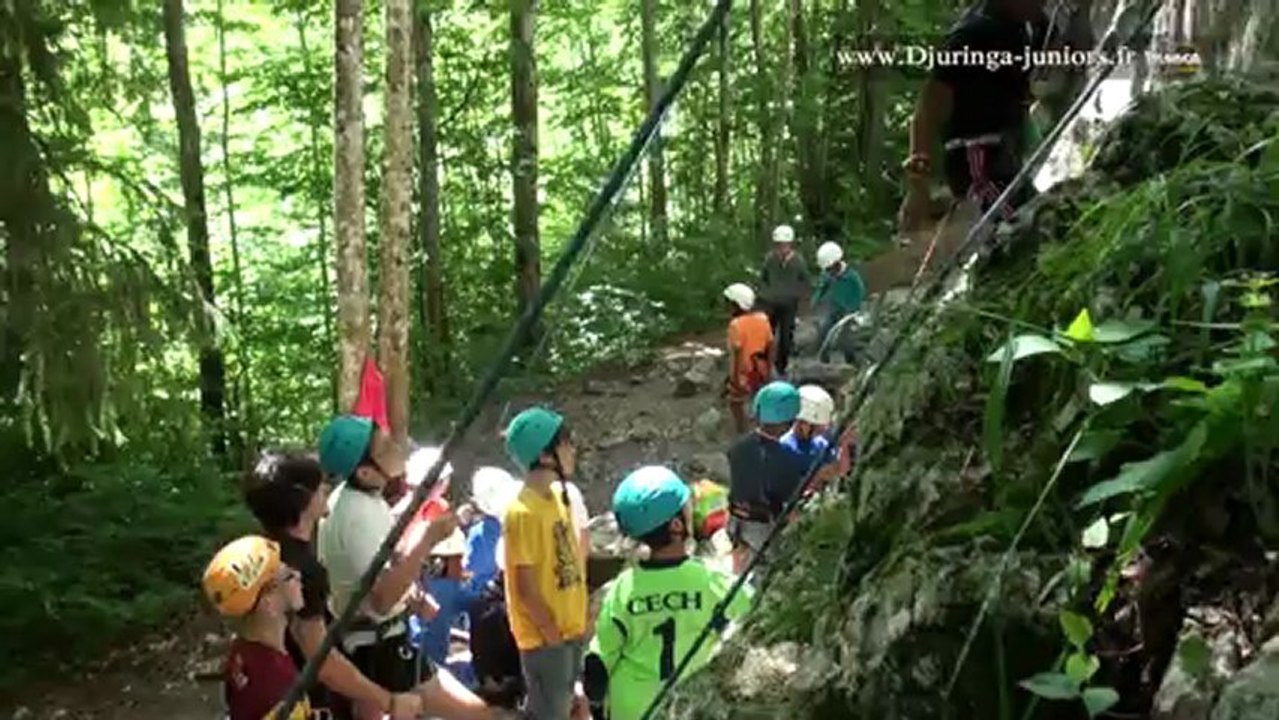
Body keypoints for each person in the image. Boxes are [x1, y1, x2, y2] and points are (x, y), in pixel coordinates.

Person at [315, 416, 492, 720]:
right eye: (384, 447)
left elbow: (379, 568)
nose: (396, 448)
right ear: (365, 471)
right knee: (479, 715)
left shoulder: (354, 499)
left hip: (367, 639)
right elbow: (381, 600)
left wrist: (412, 597)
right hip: (379, 645)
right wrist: (428, 540)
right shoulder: (358, 515)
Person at [241, 450, 422, 720]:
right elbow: (321, 661)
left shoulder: (262, 554)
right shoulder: (302, 571)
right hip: (301, 699)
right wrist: (389, 701)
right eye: (319, 485)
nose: (326, 487)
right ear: (302, 499)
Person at [583, 466, 754, 720]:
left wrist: (597, 709)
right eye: (686, 507)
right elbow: (753, 615)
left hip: (632, 709)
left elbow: (597, 663)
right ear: (676, 525)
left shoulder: (622, 589)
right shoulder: (713, 580)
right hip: (688, 708)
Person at [902, 0, 1049, 225]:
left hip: (1008, 154)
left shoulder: (1028, 26)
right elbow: (927, 110)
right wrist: (918, 188)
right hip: (976, 158)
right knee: (1020, 226)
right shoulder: (971, 35)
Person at [501, 406, 591, 720]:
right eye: (566, 443)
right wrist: (551, 634)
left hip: (568, 632)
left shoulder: (557, 500)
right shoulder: (522, 512)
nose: (573, 450)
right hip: (545, 639)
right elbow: (525, 588)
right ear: (544, 454)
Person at [202, 535, 310, 720]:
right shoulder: (275, 684)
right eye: (288, 576)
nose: (298, 575)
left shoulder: (246, 651)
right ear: (268, 602)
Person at [725, 382, 810, 576]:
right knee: (763, 576)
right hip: (763, 529)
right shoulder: (785, 459)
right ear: (789, 422)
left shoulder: (738, 447)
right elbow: (790, 500)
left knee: (740, 571)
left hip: (735, 521)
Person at [780, 385, 857, 495]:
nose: (822, 429)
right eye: (817, 426)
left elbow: (841, 470)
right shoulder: (785, 448)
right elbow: (789, 490)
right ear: (804, 423)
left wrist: (845, 444)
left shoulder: (820, 443)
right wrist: (819, 476)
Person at [722, 283, 775, 435]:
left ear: (736, 304)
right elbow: (771, 345)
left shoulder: (735, 325)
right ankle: (762, 428)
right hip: (761, 368)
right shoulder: (763, 319)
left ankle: (743, 432)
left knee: (736, 403)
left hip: (744, 372)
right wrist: (769, 369)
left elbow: (737, 354)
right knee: (759, 400)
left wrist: (734, 379)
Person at [757, 224, 810, 376]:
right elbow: (763, 277)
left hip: (789, 304)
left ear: (790, 244)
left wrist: (797, 294)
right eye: (779, 245)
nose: (781, 248)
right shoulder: (770, 259)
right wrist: (766, 293)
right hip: (771, 303)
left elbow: (805, 281)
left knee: (786, 337)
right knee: (767, 335)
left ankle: (782, 368)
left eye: (784, 245)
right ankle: (762, 366)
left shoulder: (798, 261)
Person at [811, 242, 866, 364]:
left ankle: (852, 362)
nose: (829, 272)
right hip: (835, 310)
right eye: (827, 270)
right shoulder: (828, 275)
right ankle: (823, 362)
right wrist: (815, 301)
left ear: (837, 263)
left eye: (830, 269)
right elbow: (821, 288)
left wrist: (853, 309)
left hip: (849, 313)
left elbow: (860, 293)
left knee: (845, 340)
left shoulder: (852, 277)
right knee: (824, 334)